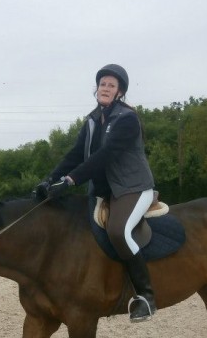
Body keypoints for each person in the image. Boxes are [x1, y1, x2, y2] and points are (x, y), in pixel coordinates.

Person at [35, 64, 157, 322]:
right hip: (103, 191)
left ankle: (146, 295)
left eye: (111, 85)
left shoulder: (127, 119)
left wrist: (70, 181)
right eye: (103, 84)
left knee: (118, 231)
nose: (106, 88)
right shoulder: (92, 120)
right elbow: (75, 155)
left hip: (131, 188)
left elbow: (106, 155)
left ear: (119, 92)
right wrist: (50, 180)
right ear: (97, 88)